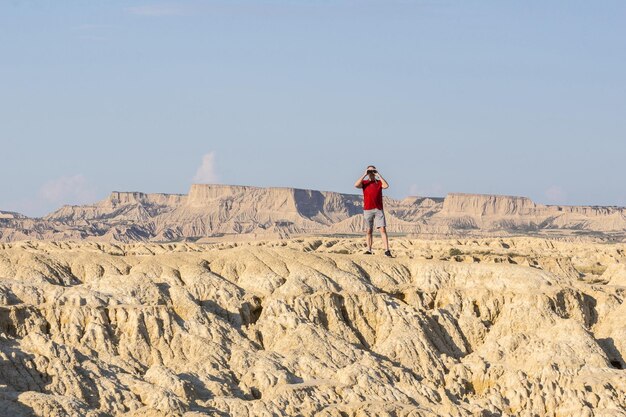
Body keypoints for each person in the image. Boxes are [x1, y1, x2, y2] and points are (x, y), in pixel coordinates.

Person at [354, 165, 391, 257]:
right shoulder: (365, 183)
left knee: (382, 229)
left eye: (372, 171)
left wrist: (378, 174)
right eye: (369, 171)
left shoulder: (378, 183)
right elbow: (356, 185)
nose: (371, 173)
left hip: (378, 209)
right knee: (369, 230)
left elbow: (386, 186)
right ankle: (369, 250)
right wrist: (364, 174)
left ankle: (387, 250)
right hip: (367, 209)